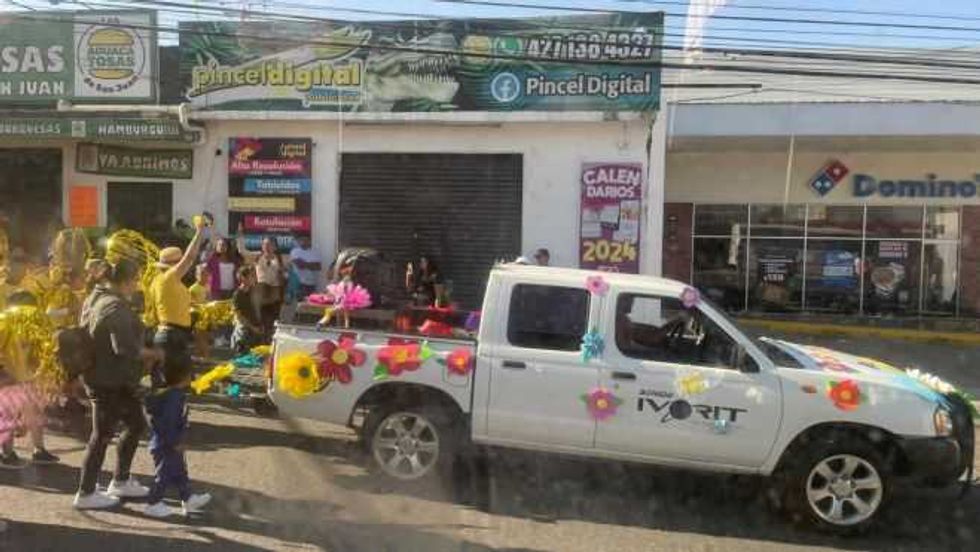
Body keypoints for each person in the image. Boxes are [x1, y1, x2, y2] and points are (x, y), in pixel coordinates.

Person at [75, 259, 160, 510]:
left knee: (136, 424)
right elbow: (125, 348)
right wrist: (155, 355)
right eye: (136, 280)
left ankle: (120, 480)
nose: (137, 286)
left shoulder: (97, 294)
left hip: (114, 378)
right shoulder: (115, 306)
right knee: (101, 436)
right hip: (106, 380)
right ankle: (86, 492)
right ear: (126, 281)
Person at [143, 359, 211, 518]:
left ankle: (188, 499)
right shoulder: (173, 398)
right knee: (164, 474)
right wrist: (176, 442)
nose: (192, 376)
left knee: (180, 472)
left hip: (166, 442)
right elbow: (169, 423)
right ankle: (153, 503)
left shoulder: (172, 394)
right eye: (189, 374)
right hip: (166, 444)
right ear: (182, 377)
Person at [150, 221, 206, 389]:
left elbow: (156, 313)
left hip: (169, 335)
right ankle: (170, 414)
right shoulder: (169, 278)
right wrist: (199, 232)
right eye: (179, 264)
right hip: (172, 337)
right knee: (177, 386)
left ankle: (169, 413)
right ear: (174, 265)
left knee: (175, 385)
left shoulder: (159, 283)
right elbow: (190, 258)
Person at [249, 237, 286, 339]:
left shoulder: (279, 258)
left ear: (275, 246)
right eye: (265, 244)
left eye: (270, 244)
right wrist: (240, 235)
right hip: (261, 290)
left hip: (275, 291)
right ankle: (261, 339)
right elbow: (242, 250)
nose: (267, 247)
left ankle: (271, 339)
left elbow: (283, 274)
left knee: (274, 317)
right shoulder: (257, 257)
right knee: (261, 317)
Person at [231, 266, 263, 355]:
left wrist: (259, 325)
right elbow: (239, 316)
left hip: (256, 329)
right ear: (243, 278)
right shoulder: (237, 295)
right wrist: (252, 328)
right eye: (251, 276)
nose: (253, 279)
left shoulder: (254, 291)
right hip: (244, 331)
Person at [288, 235, 322, 300]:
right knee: (300, 304)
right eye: (301, 240)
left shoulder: (315, 252)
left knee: (310, 305)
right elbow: (300, 265)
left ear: (310, 241)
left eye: (306, 240)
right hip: (299, 283)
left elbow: (318, 267)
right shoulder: (295, 251)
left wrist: (305, 263)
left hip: (312, 283)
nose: (303, 242)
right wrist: (312, 265)